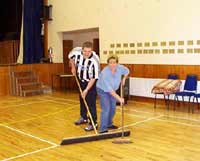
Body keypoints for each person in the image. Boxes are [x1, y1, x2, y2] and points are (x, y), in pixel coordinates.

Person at [68, 41, 100, 131]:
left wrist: (86, 90)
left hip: (90, 82)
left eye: (89, 51)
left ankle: (93, 122)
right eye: (85, 51)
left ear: (92, 51)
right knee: (82, 99)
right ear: (82, 50)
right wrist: (73, 67)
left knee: (90, 103)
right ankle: (83, 117)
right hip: (80, 79)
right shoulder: (76, 52)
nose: (86, 53)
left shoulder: (95, 61)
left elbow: (93, 78)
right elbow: (71, 57)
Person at [96, 55, 129, 133]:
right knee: (106, 108)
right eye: (110, 63)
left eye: (114, 62)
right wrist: (119, 98)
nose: (112, 65)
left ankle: (109, 124)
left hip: (113, 90)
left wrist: (124, 78)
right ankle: (102, 129)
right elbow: (109, 90)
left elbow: (127, 71)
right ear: (108, 63)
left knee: (113, 109)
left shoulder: (120, 68)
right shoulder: (105, 73)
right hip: (103, 90)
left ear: (117, 63)